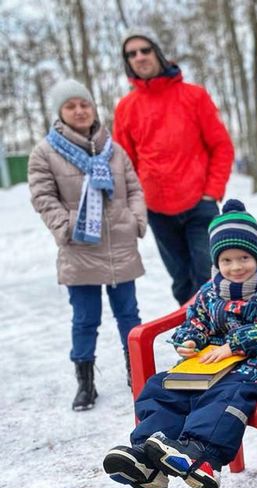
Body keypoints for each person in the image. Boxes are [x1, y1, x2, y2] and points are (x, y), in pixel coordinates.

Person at [102, 199, 257, 488]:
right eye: (226, 260)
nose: (235, 267)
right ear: (216, 262)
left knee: (226, 394)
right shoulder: (210, 291)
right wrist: (189, 339)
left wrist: (234, 345)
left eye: (243, 258)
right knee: (161, 387)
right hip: (211, 364)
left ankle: (201, 455)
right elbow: (196, 321)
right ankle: (147, 458)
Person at [28, 79, 147, 411]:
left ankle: (135, 373)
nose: (79, 111)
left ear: (93, 108)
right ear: (61, 113)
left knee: (129, 314)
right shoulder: (45, 152)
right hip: (79, 248)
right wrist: (66, 229)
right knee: (85, 319)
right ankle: (85, 383)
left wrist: (135, 219)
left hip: (120, 246)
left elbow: (135, 188)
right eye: (71, 106)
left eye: (85, 104)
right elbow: (43, 197)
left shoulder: (114, 148)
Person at [113, 28, 235, 305]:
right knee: (181, 281)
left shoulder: (194, 96)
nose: (140, 57)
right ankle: (196, 339)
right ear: (127, 62)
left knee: (211, 275)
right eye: (132, 54)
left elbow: (222, 146)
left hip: (199, 205)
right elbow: (124, 165)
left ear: (157, 53)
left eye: (145, 50)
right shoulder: (125, 108)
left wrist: (211, 192)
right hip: (158, 211)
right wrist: (136, 202)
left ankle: (224, 336)